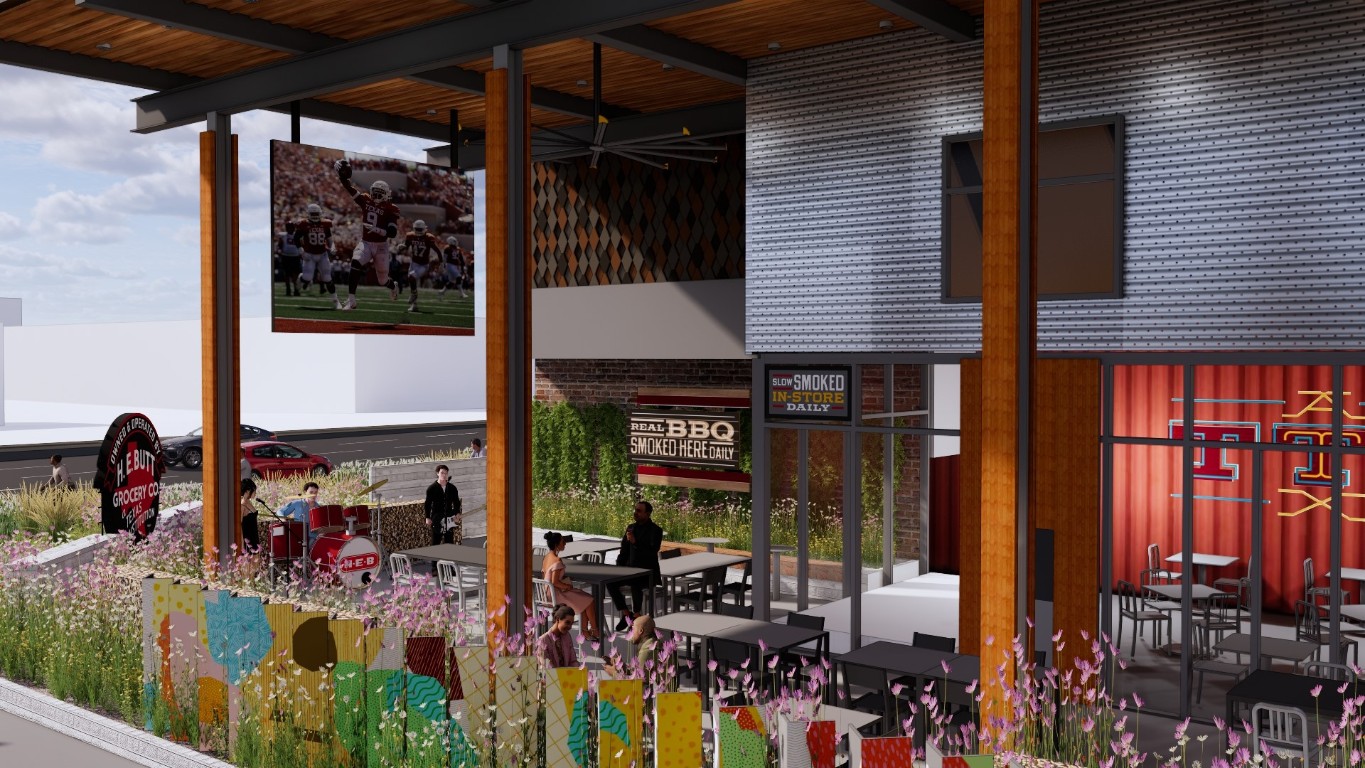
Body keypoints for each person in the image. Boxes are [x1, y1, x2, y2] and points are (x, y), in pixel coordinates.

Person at [333, 158, 402, 310]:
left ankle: (393, 286)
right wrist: (341, 176)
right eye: (374, 193)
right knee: (355, 261)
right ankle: (351, 300)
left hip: (381, 245)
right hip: (366, 242)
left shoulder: (391, 208)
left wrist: (376, 229)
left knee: (383, 280)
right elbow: (349, 188)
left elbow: (392, 232)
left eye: (379, 194)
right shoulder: (365, 200)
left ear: (386, 195)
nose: (376, 196)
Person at [608, 501, 664, 630]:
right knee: (610, 581)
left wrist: (636, 542)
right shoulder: (631, 528)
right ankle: (627, 614)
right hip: (629, 571)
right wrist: (619, 567)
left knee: (635, 582)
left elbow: (652, 552)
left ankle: (637, 615)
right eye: (635, 510)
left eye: (639, 511)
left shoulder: (655, 530)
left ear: (648, 513)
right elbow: (624, 551)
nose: (636, 513)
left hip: (647, 572)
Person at [542, 531, 601, 640]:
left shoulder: (547, 557)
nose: (565, 544)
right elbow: (555, 582)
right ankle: (594, 630)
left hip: (547, 593)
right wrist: (567, 586)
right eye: (563, 542)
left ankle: (586, 632)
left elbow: (546, 575)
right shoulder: (557, 560)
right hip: (557, 595)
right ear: (556, 544)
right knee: (590, 600)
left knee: (584, 600)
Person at [292, 204, 339, 305]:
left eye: (316, 213)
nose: (314, 215)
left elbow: (330, 239)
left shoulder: (325, 224)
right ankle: (301, 279)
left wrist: (332, 247)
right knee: (307, 278)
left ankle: (336, 301)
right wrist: (300, 249)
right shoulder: (303, 224)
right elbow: (296, 238)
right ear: (308, 214)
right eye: (312, 213)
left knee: (327, 278)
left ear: (320, 213)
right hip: (309, 255)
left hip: (322, 254)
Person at [399, 219, 442, 312]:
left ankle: (413, 294)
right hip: (413, 263)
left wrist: (441, 262)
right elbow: (406, 246)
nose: (418, 231)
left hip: (423, 265)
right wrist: (402, 246)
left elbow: (437, 250)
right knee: (411, 281)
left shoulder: (428, 238)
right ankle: (414, 305)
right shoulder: (410, 236)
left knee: (411, 277)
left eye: (419, 229)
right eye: (417, 229)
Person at [424, 464, 462, 545]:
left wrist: (457, 513)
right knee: (436, 542)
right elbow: (428, 504)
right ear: (437, 473)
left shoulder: (452, 488)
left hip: (449, 517)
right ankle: (434, 557)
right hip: (436, 519)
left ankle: (448, 557)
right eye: (442, 473)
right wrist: (427, 517)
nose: (444, 475)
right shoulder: (431, 488)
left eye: (446, 473)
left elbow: (456, 502)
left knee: (449, 541)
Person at [277, 481, 322, 549]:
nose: (313, 495)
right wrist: (283, 520)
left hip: (313, 537)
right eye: (311, 492)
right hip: (298, 536)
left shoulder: (319, 508)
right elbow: (280, 511)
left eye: (315, 493)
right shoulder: (297, 503)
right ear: (305, 492)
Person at [275, 221, 302, 297]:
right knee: (287, 274)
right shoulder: (283, 235)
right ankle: (288, 290)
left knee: (295, 275)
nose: (291, 229)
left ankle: (296, 290)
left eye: (291, 227)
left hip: (295, 256)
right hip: (286, 256)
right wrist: (279, 250)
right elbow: (280, 245)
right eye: (289, 227)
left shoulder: (298, 235)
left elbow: (301, 245)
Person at [240, 478, 261, 554]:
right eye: (254, 490)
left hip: (254, 536)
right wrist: (242, 544)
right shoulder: (242, 504)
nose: (255, 493)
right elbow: (240, 525)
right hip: (247, 539)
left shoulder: (248, 502)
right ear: (248, 490)